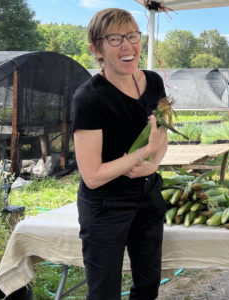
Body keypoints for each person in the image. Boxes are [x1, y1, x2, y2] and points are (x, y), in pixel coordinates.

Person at [71, 8, 168, 300]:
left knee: (148, 286)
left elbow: (161, 133)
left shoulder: (153, 82)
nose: (127, 45)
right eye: (114, 39)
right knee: (104, 293)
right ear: (96, 49)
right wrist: (144, 154)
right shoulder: (89, 98)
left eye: (132, 35)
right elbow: (92, 176)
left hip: (147, 198)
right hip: (105, 207)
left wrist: (153, 165)